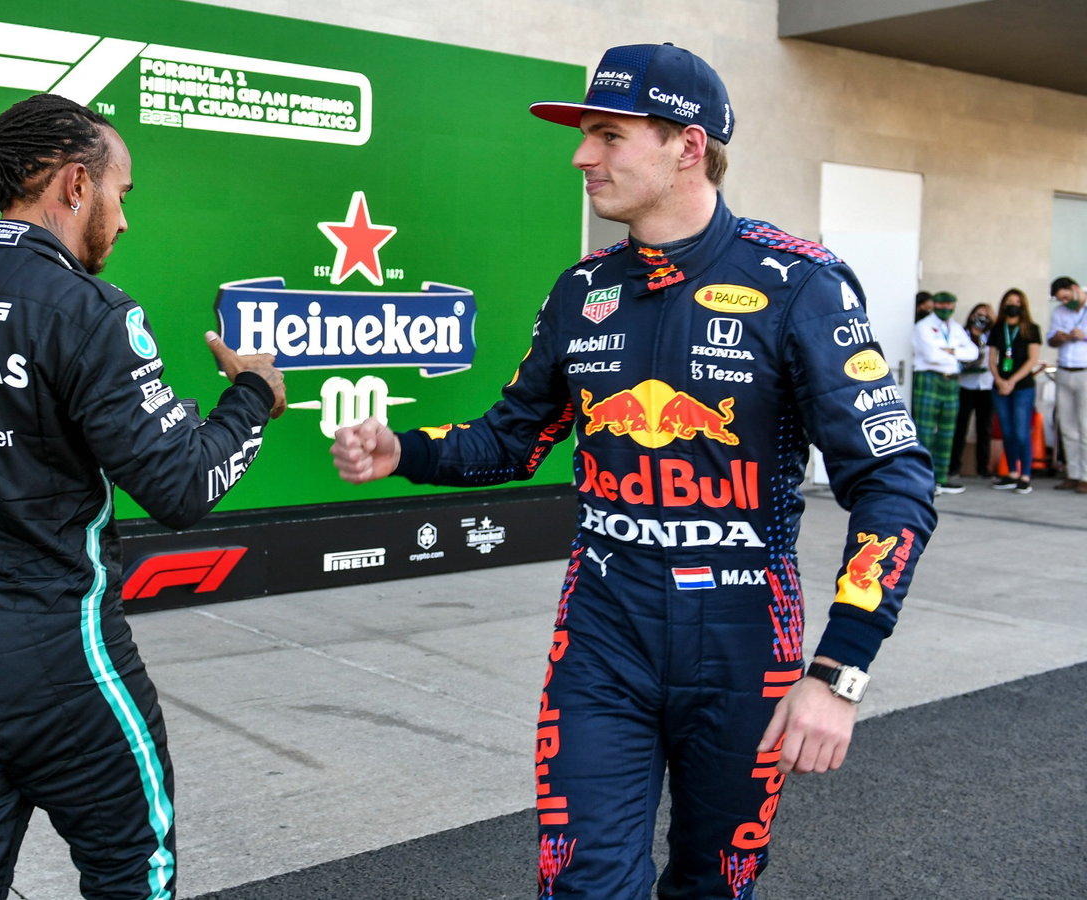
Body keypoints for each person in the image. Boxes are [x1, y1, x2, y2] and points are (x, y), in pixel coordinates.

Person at [329, 43, 936, 899]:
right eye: (586, 135)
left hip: (744, 639)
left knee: (714, 884)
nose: (582, 155)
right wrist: (407, 451)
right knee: (583, 884)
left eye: (609, 136)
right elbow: (511, 439)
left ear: (688, 145)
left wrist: (839, 673)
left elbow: (894, 483)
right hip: (603, 633)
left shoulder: (801, 283)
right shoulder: (581, 291)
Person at [0, 94, 286, 900]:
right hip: (62, 660)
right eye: (120, 193)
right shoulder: (90, 312)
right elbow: (181, 486)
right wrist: (252, 397)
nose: (124, 220)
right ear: (75, 184)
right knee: (134, 874)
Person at [912, 291, 980, 494]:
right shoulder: (923, 326)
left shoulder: (956, 327)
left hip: (951, 380)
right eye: (942, 305)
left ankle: (941, 477)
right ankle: (924, 480)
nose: (946, 309)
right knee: (925, 431)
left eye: (950, 305)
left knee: (947, 431)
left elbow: (973, 352)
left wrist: (951, 351)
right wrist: (955, 354)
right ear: (935, 305)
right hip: (929, 378)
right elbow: (931, 355)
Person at [988, 289, 1042, 493]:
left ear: (1023, 305)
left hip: (1022, 386)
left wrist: (1012, 381)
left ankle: (1025, 475)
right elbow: (992, 359)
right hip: (1000, 385)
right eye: (1009, 301)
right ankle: (1011, 473)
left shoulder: (1031, 329)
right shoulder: (998, 329)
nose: (1013, 305)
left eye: (1017, 302)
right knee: (1007, 431)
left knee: (1021, 431)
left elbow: (1032, 360)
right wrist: (999, 380)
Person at [1047, 276, 1087, 492]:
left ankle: (1086, 476)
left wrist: (1083, 335)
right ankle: (1073, 473)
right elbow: (1050, 338)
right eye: (1060, 299)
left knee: (1085, 425)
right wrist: (1060, 337)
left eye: (1065, 297)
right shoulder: (1059, 313)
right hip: (1064, 370)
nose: (1064, 302)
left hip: (1084, 372)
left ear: (1074, 289)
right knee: (1067, 425)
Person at [950, 302, 995, 480]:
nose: (982, 318)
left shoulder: (992, 335)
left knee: (984, 428)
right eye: (978, 314)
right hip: (966, 384)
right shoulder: (963, 333)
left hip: (986, 385)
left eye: (986, 315)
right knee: (960, 427)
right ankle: (954, 466)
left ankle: (983, 467)